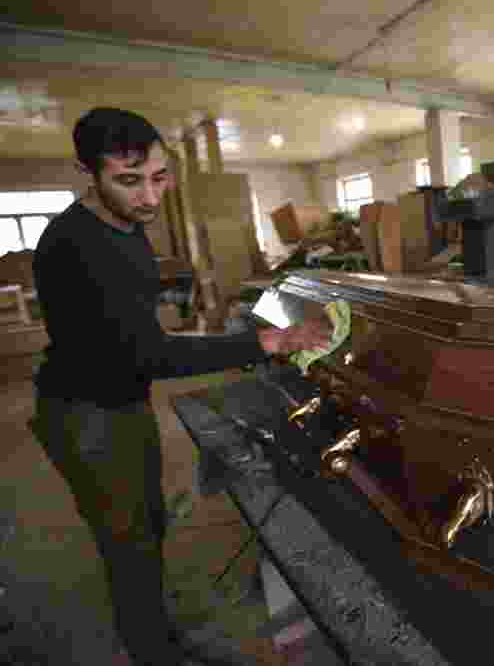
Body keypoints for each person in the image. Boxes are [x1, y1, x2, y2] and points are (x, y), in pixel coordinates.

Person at [30, 107, 332, 666]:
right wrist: (264, 344)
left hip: (120, 398)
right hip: (85, 412)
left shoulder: (126, 226)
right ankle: (153, 651)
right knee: (128, 540)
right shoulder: (74, 244)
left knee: (146, 521)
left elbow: (133, 321)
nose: (149, 197)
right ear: (87, 173)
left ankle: (154, 632)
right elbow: (150, 354)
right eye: (128, 181)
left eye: (159, 177)